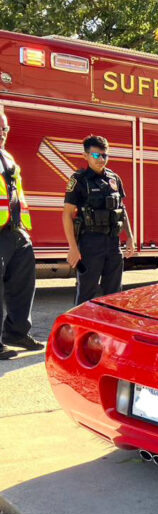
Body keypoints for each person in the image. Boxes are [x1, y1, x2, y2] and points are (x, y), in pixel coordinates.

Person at [63, 135, 136, 305]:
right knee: (86, 293)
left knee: (114, 294)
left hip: (113, 243)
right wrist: (73, 247)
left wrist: (130, 237)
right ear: (86, 156)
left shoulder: (114, 179)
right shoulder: (78, 180)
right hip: (90, 243)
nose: (101, 159)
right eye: (96, 155)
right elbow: (67, 214)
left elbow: (121, 209)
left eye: (105, 155)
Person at [0, 106, 43, 360]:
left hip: (14, 231)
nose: (2, 133)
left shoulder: (7, 157)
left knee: (23, 285)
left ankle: (16, 333)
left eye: (4, 129)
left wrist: (22, 227)